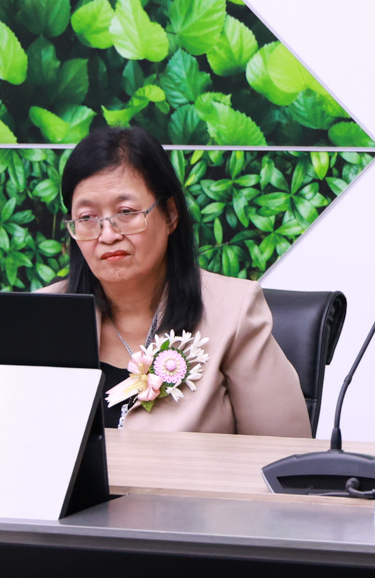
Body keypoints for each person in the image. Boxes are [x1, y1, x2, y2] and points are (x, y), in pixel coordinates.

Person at [43, 125, 312, 436]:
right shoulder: (41, 316)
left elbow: (284, 453)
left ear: (170, 214)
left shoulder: (233, 313)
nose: (107, 234)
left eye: (126, 212)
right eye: (87, 218)